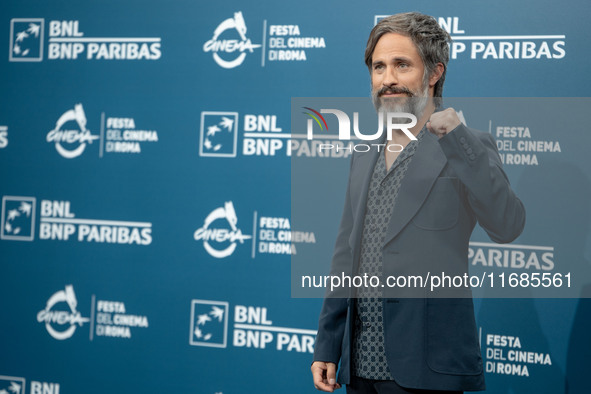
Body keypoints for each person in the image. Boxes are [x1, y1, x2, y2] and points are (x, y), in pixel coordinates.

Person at [311, 12, 525, 393]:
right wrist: (327, 344)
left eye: (401, 65)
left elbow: (507, 225)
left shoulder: (465, 146)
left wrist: (456, 139)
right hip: (359, 369)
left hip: (428, 371)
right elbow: (346, 256)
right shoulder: (364, 153)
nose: (387, 78)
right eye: (378, 67)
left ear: (434, 73)